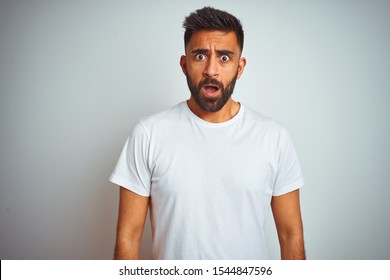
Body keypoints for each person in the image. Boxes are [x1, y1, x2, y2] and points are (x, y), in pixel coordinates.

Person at [109, 6, 305, 260]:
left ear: (240, 67)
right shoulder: (149, 134)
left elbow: (291, 235)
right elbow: (129, 236)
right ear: (184, 64)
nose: (211, 70)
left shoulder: (273, 137)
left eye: (224, 57)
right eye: (200, 56)